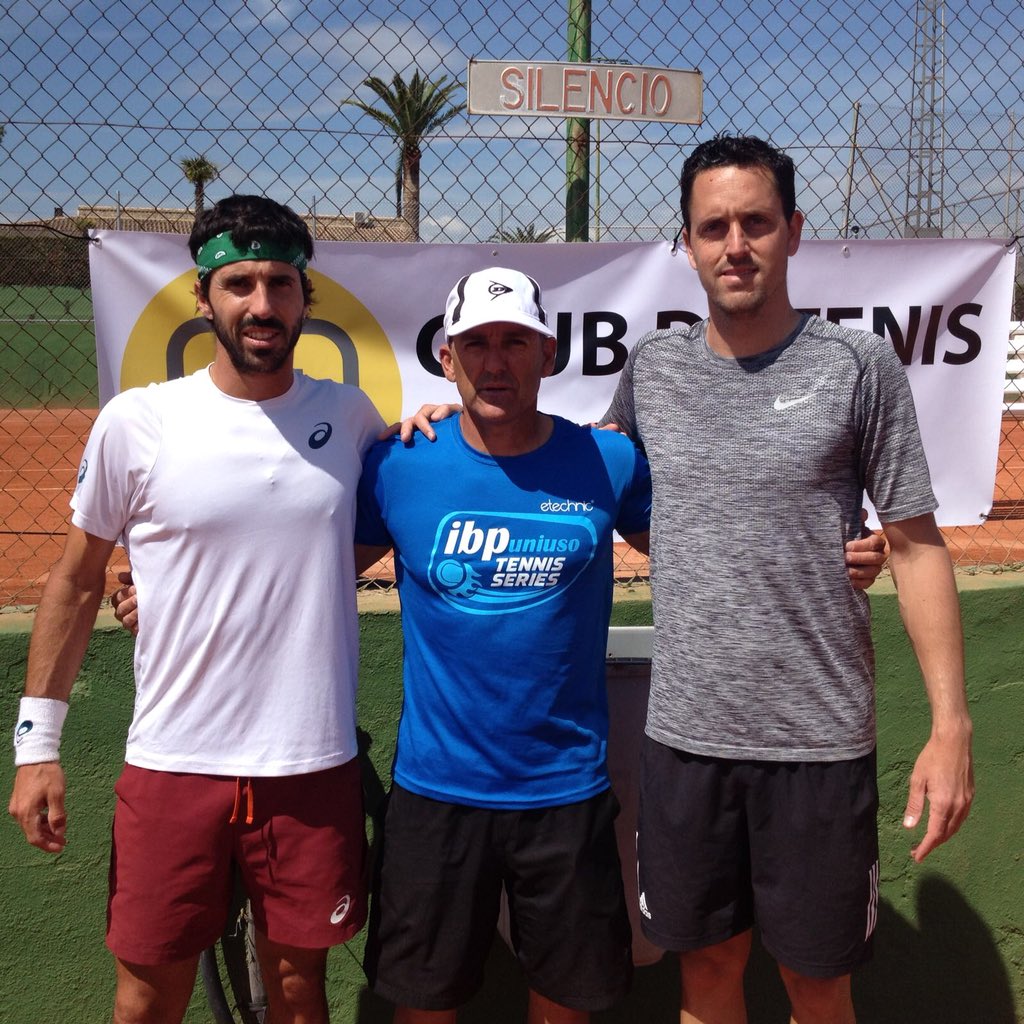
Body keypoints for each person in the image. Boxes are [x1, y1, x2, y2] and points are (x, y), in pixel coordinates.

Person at [601, 135, 974, 1024]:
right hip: (686, 740)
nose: (736, 244)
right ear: (685, 243)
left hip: (818, 745)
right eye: (714, 226)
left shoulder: (857, 366)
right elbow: (597, 484)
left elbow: (918, 546)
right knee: (705, 975)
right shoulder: (652, 371)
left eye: (756, 223)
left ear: (794, 231)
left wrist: (952, 725)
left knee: (817, 988)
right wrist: (446, 414)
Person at [8, 194, 384, 1024]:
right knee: (146, 999)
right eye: (238, 282)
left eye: (280, 283)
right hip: (174, 762)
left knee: (298, 991)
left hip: (310, 762)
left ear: (305, 299)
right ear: (203, 297)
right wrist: (36, 745)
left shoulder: (353, 419)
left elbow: (344, 548)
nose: (261, 304)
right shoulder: (137, 422)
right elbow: (74, 581)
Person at [355, 268, 653, 1024]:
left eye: (514, 341)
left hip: (565, 792)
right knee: (424, 1008)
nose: (495, 362)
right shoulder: (396, 466)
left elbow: (703, 556)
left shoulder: (609, 463)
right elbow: (295, 566)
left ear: (547, 353)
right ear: (446, 358)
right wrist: (157, 592)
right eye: (476, 344)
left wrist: (830, 556)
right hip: (435, 793)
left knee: (566, 1007)